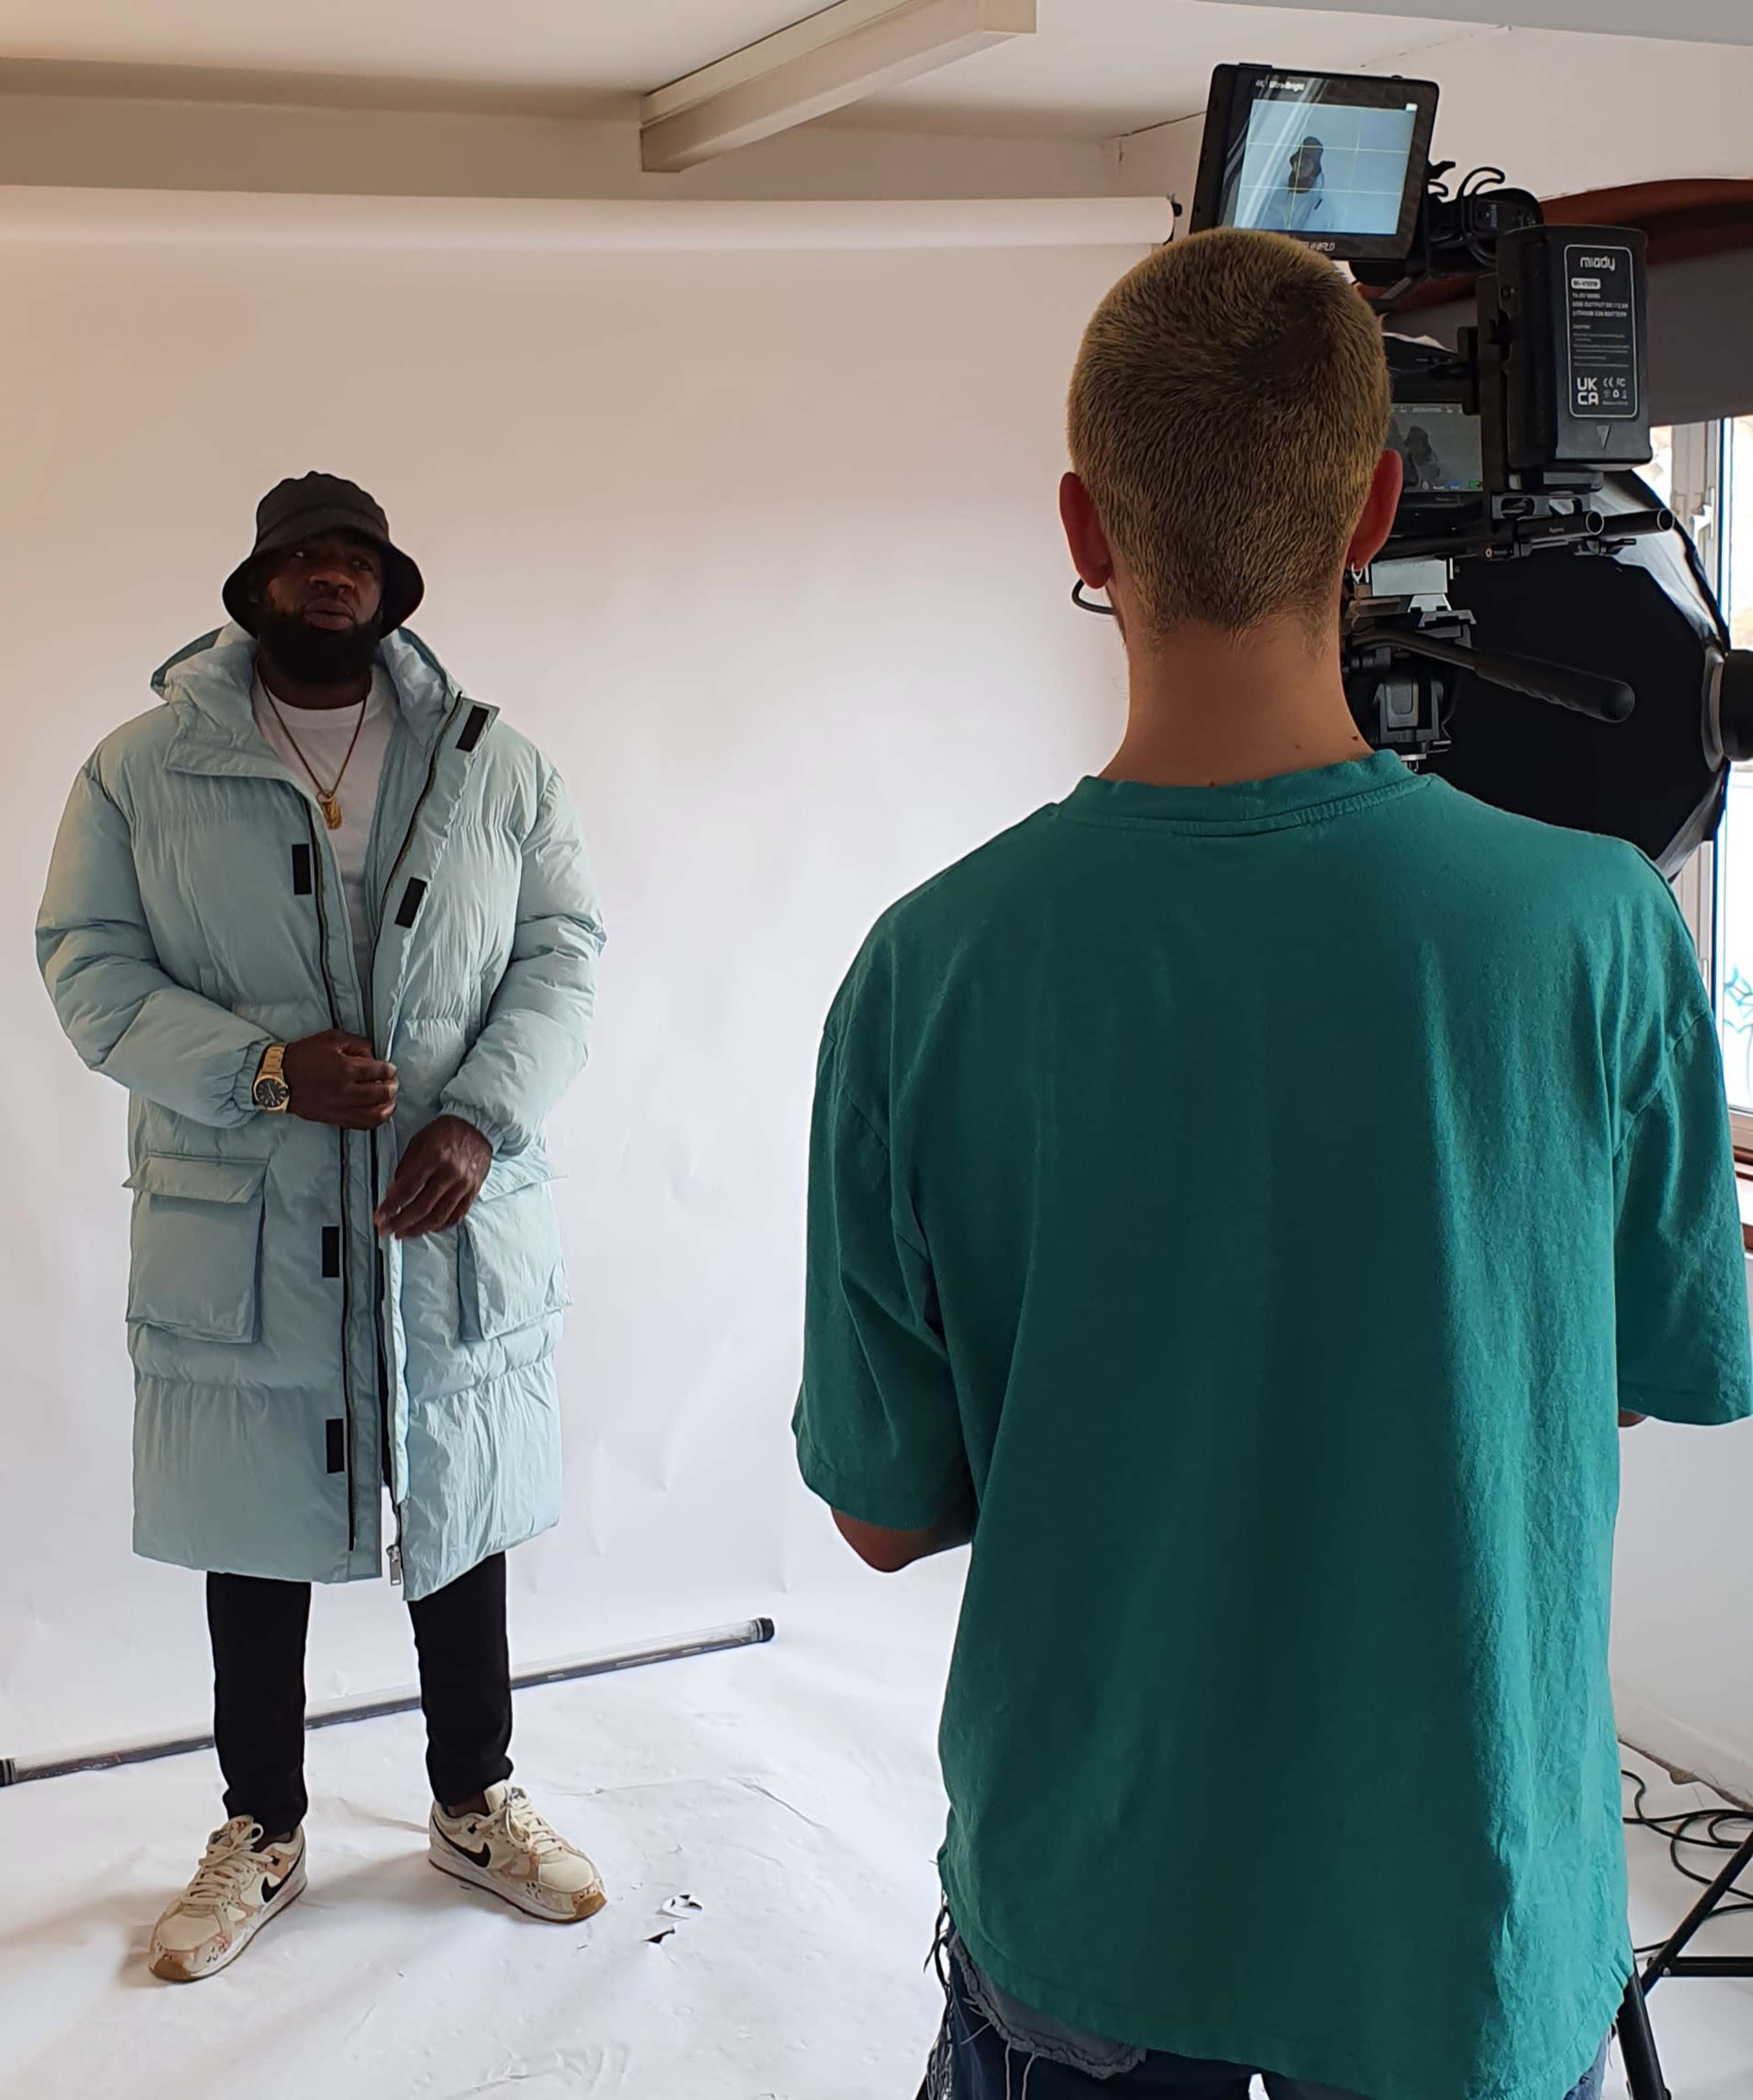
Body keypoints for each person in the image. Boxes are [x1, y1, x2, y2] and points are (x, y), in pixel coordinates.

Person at [793, 230, 1753, 2100]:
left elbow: (886, 1509)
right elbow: (1646, 1369)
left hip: (1091, 1922)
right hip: (1467, 1937)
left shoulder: (931, 966)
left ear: (1087, 526)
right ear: (1375, 503)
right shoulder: (1596, 926)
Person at [37, 473, 609, 1982]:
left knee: (457, 1490)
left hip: (446, 1208)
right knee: (256, 1514)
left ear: (394, 585)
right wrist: (264, 1070)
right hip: (252, 1219)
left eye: (355, 553)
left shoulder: (498, 768)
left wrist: (481, 1115)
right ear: (256, 588)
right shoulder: (140, 771)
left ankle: (473, 1797)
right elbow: (85, 963)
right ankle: (262, 1824)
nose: (332, 574)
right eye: (303, 556)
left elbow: (563, 953)